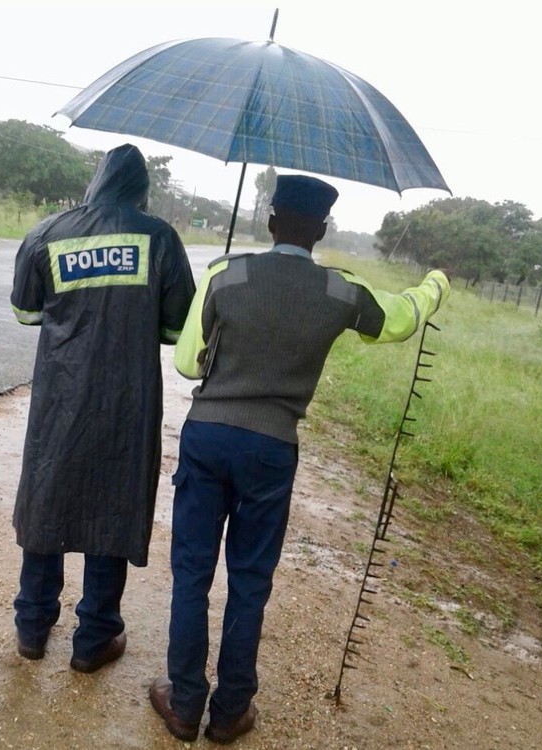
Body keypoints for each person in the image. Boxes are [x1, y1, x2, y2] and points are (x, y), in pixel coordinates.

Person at [149, 174, 450, 743]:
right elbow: (401, 320)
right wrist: (434, 285)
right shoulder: (339, 291)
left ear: (270, 219)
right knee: (250, 580)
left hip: (208, 435)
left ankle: (184, 702)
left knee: (191, 574)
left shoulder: (225, 273)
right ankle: (232, 709)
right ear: (321, 228)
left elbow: (189, 364)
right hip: (272, 448)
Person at [10, 143, 195, 672]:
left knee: (48, 497)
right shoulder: (160, 238)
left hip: (59, 401)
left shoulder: (47, 233)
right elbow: (177, 329)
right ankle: (94, 640)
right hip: (126, 403)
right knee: (114, 503)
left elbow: (25, 313)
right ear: (141, 190)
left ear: (96, 181)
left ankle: (32, 625)